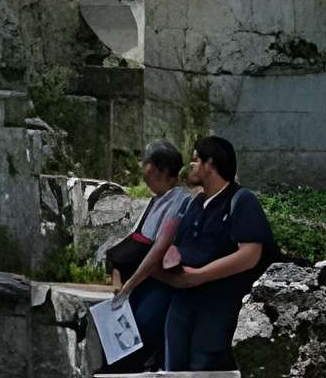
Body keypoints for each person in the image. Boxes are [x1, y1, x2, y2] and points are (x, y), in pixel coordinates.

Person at [146, 134, 275, 370]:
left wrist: (199, 275)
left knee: (206, 368)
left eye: (196, 160)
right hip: (182, 304)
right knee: (174, 367)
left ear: (211, 164)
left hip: (219, 308)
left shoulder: (241, 200)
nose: (191, 166)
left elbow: (250, 254)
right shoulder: (196, 204)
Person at [100, 145, 192, 370]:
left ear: (160, 170)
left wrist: (128, 286)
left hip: (156, 285)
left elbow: (157, 251)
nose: (142, 169)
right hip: (137, 287)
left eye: (146, 163)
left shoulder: (179, 200)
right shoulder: (155, 200)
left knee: (135, 347)